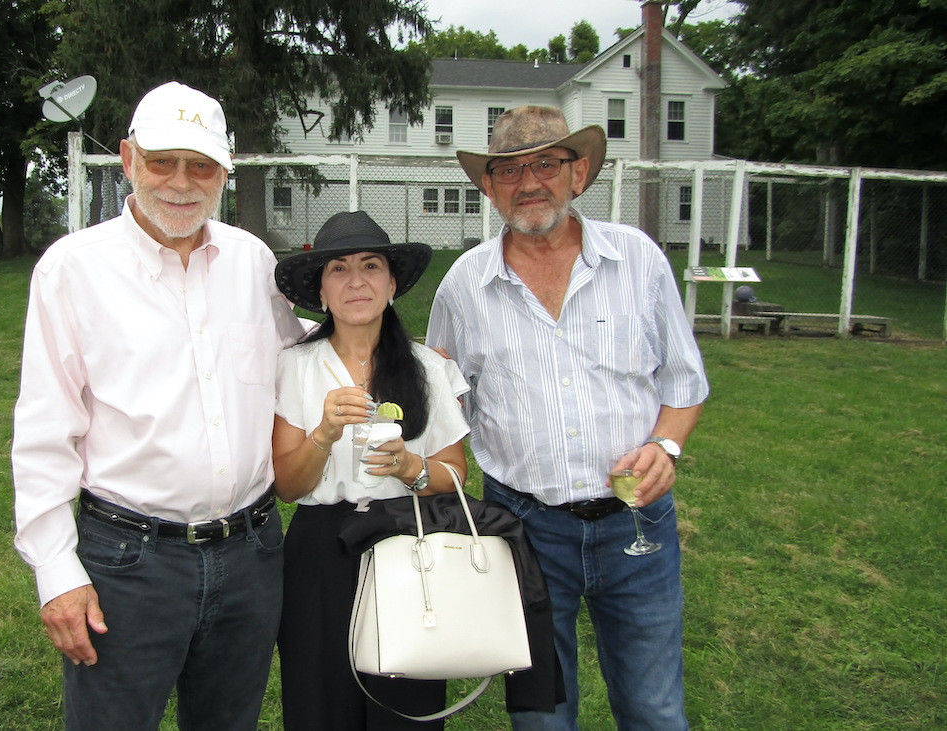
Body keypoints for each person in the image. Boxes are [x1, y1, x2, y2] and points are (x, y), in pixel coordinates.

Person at [11, 80, 306, 731]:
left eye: (200, 164)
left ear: (224, 171)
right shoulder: (73, 269)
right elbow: (42, 434)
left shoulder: (251, 261)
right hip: (128, 563)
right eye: (161, 161)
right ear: (126, 159)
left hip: (251, 552)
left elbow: (300, 364)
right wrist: (56, 570)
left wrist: (380, 342)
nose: (181, 182)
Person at [427, 106, 709, 730]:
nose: (529, 182)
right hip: (525, 527)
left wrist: (666, 445)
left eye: (546, 164)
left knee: (655, 707)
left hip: (638, 523)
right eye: (509, 171)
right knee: (541, 716)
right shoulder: (464, 286)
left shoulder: (637, 260)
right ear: (490, 187)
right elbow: (440, 399)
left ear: (578, 174)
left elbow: (685, 383)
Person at [271, 211, 468, 729]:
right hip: (321, 552)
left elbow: (456, 475)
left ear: (392, 282)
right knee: (320, 699)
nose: (356, 281)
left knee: (405, 704)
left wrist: (411, 467)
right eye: (338, 269)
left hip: (408, 545)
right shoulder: (295, 366)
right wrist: (323, 435)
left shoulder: (427, 367)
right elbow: (288, 487)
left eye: (371, 265)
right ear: (321, 289)